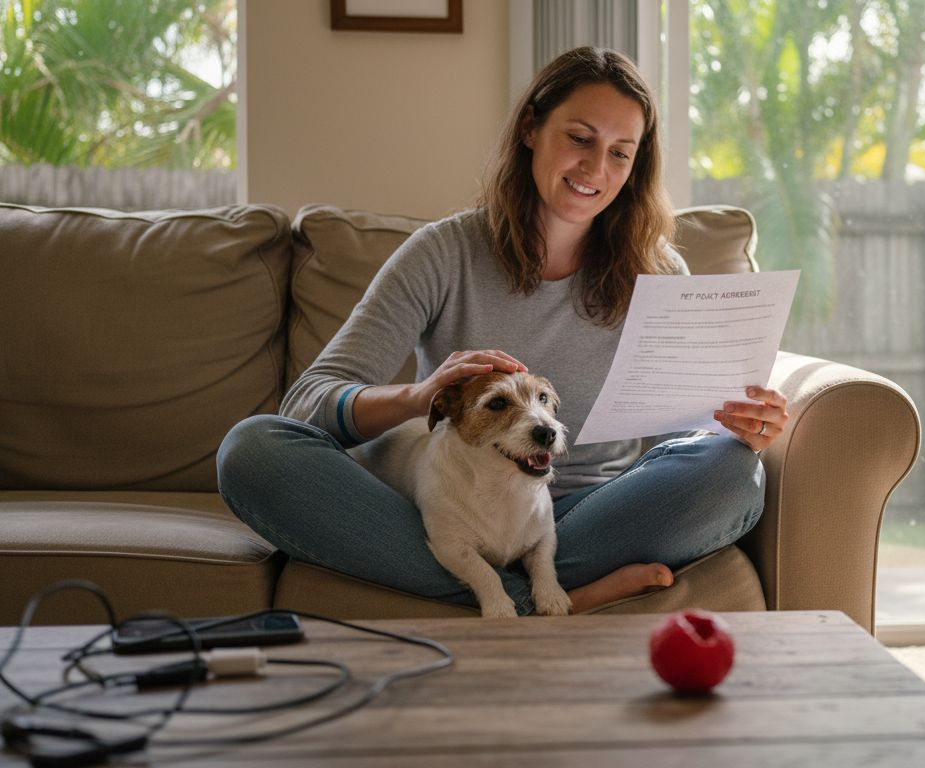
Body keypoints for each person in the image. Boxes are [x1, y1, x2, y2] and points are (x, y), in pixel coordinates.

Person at [216, 47, 789, 615]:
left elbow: (676, 441)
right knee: (253, 449)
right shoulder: (443, 254)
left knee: (734, 474)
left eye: (621, 152)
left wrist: (738, 429)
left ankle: (504, 589)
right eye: (580, 138)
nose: (596, 169)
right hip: (459, 506)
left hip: (594, 510)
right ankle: (545, 596)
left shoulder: (660, 273)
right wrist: (418, 397)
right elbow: (305, 405)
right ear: (530, 129)